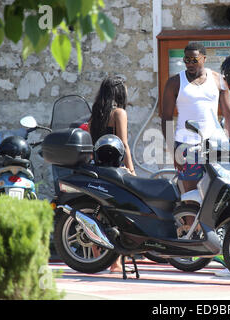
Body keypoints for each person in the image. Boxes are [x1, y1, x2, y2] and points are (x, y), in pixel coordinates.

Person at [161, 42, 230, 194]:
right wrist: (173, 150)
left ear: (204, 59)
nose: (190, 64)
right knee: (190, 193)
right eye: (186, 60)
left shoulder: (218, 80)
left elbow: (228, 113)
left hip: (214, 145)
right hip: (186, 146)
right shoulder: (174, 82)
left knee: (217, 193)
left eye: (194, 60)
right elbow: (166, 117)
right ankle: (189, 218)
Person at [88, 75, 136, 273]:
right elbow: (123, 144)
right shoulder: (119, 113)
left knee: (99, 213)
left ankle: (97, 257)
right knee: (119, 214)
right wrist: (131, 170)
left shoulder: (95, 115)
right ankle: (116, 263)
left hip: (97, 167)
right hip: (115, 169)